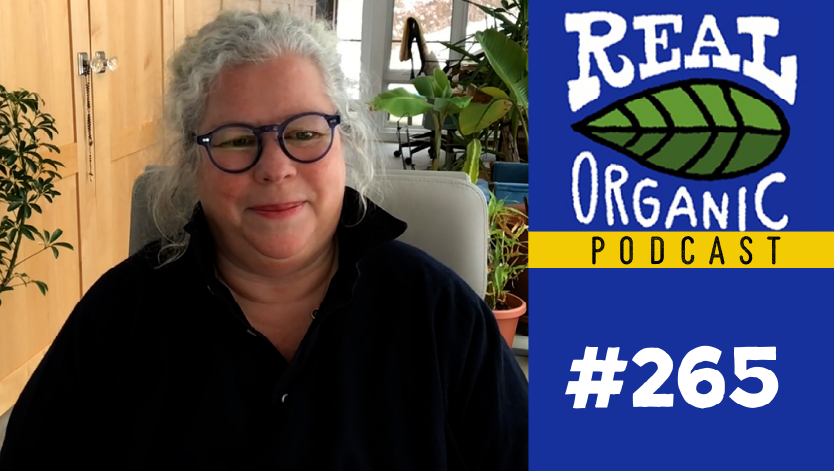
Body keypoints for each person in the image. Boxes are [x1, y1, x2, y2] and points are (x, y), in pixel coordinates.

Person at [0, 9, 528, 470]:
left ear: (343, 141)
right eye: (236, 140)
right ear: (193, 162)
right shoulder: (118, 320)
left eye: (303, 132)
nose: (275, 168)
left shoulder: (440, 316)